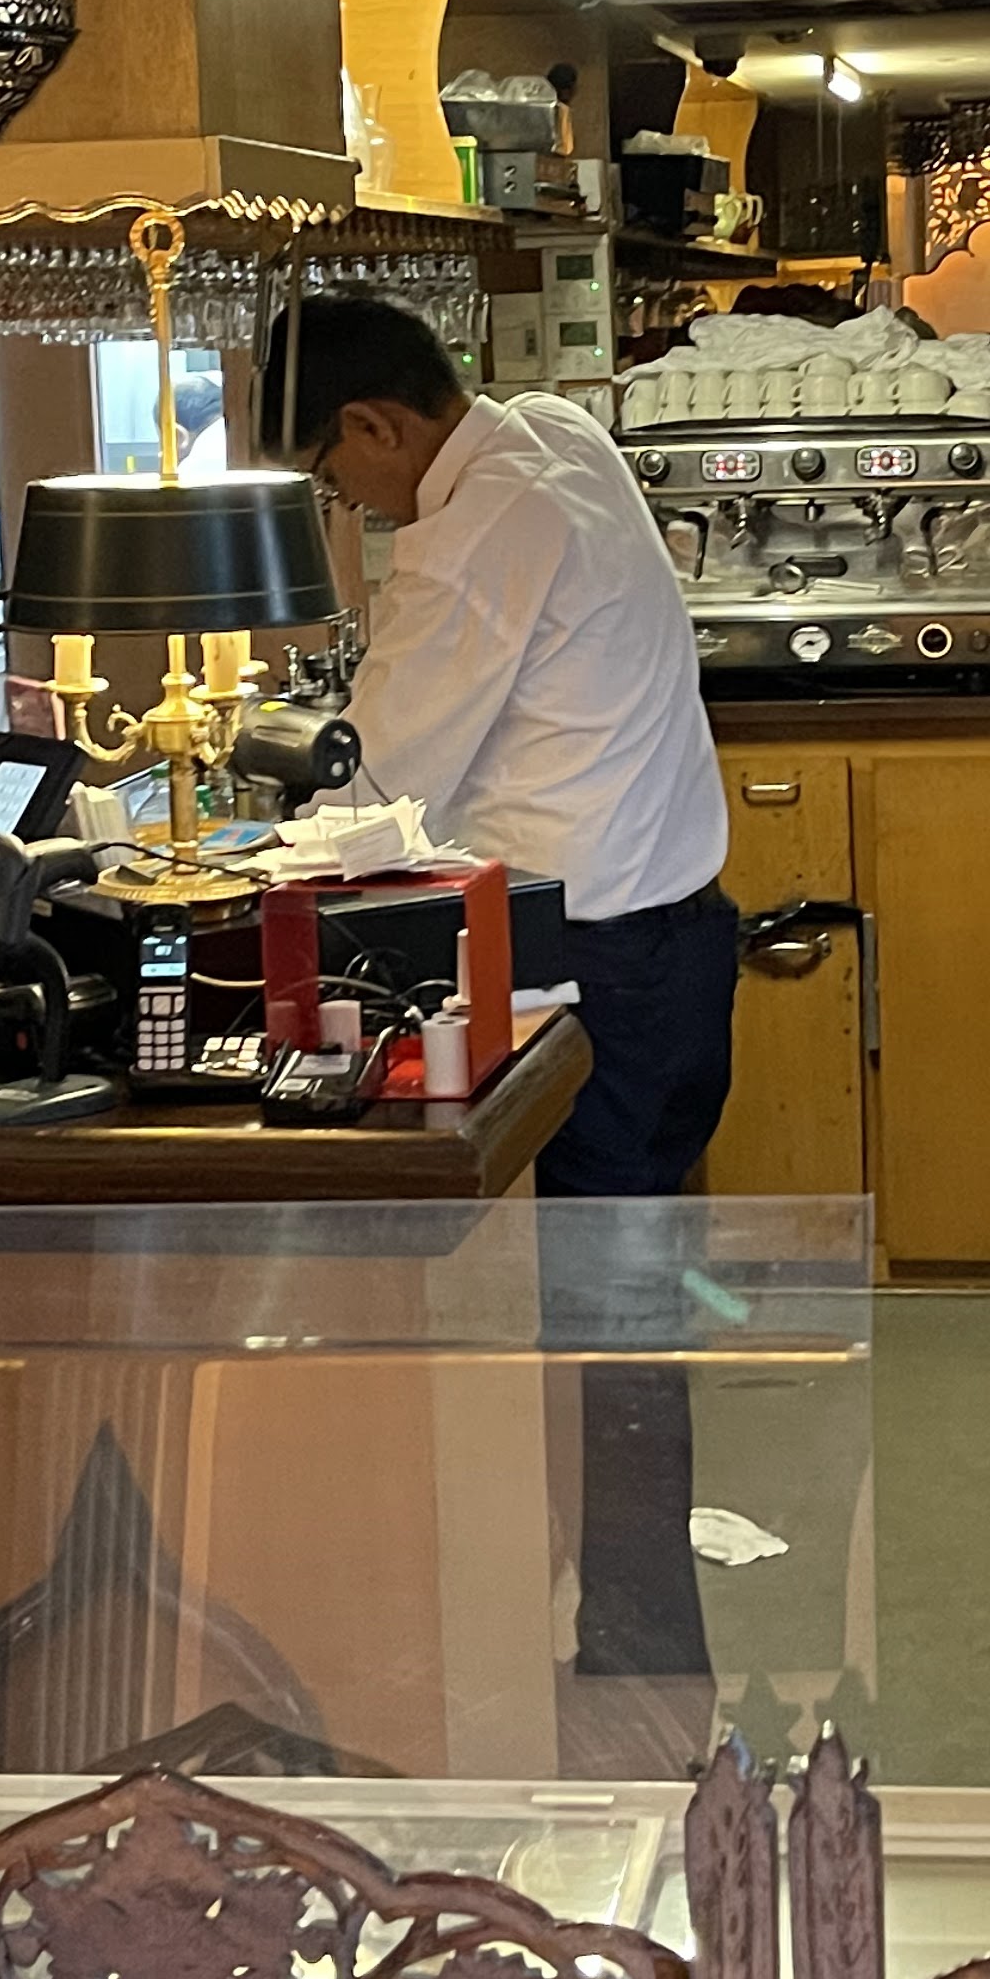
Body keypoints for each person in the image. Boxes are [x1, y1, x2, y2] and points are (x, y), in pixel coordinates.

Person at [258, 296, 735, 1746]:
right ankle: (631, 1640)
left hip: (601, 969)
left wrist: (253, 838)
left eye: (337, 477)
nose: (350, 507)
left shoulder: (476, 530)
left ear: (378, 424)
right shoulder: (557, 434)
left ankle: (634, 1667)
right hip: (680, 941)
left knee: (602, 1326)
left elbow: (380, 776)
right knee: (632, 1312)